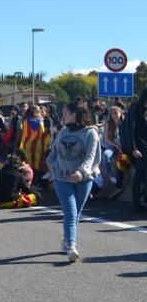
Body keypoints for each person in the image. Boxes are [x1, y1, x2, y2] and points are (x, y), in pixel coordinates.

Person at [47, 101, 101, 263]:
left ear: (75, 114)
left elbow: (91, 157)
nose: (62, 116)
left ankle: (65, 240)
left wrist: (81, 172)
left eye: (65, 113)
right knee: (70, 212)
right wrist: (55, 171)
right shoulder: (63, 132)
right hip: (62, 180)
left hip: (83, 180)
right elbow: (52, 156)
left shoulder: (91, 133)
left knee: (75, 214)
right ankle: (71, 245)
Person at [131, 89, 147, 213]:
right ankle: (138, 203)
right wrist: (134, 148)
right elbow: (131, 131)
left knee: (139, 176)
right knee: (141, 176)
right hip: (140, 149)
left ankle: (137, 203)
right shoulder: (136, 110)